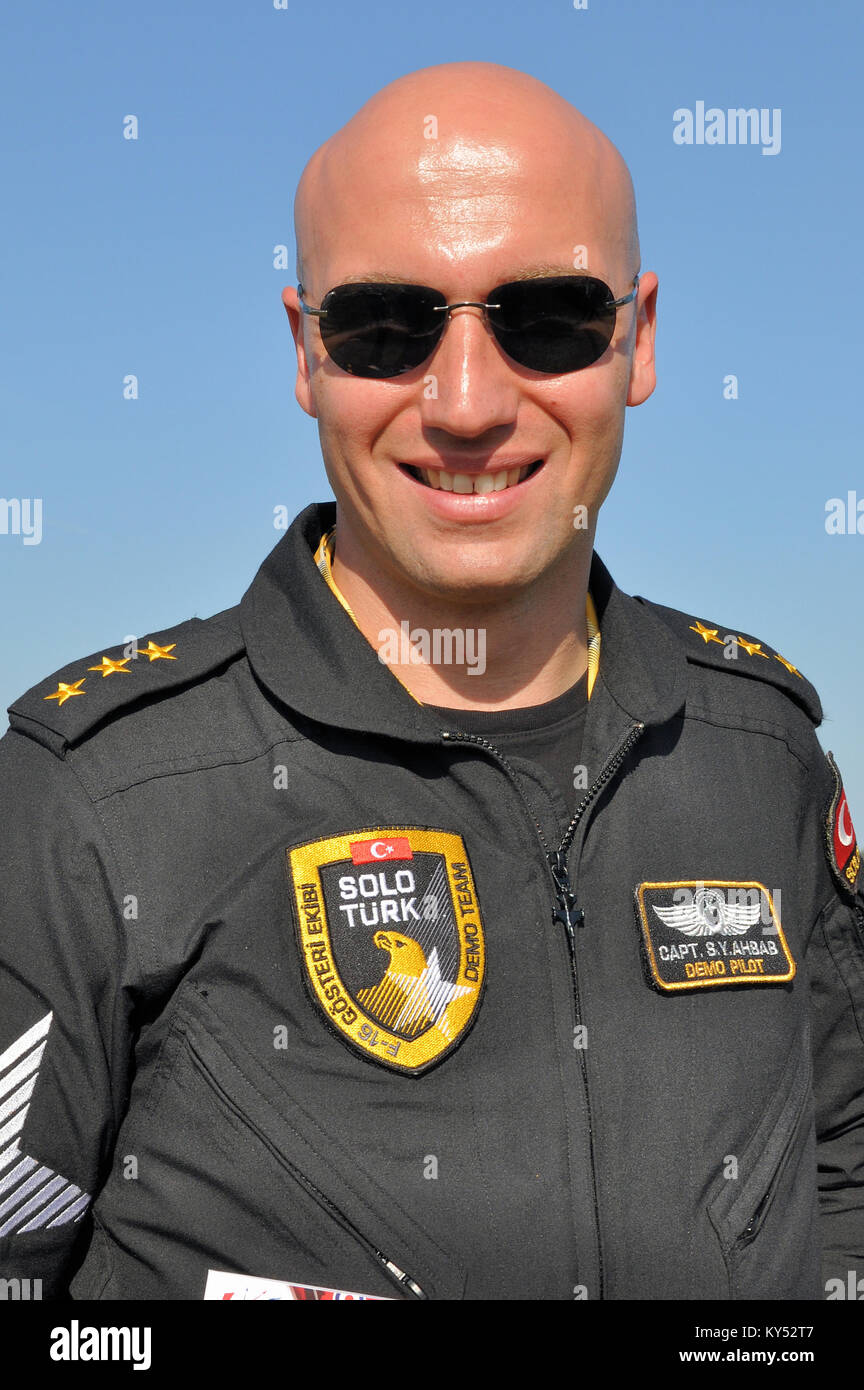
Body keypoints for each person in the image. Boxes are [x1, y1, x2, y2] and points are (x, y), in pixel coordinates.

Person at [1, 60, 862, 1303]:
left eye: (550, 317)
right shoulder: (97, 801)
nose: (466, 403)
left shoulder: (758, 751)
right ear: (306, 353)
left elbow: (843, 1175)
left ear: (641, 340)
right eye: (388, 328)